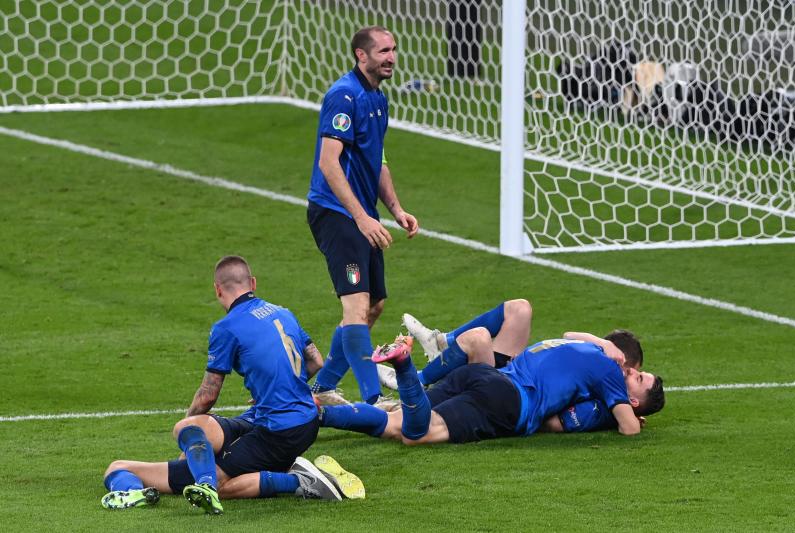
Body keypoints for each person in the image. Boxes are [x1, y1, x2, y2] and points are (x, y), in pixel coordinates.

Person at [100, 256, 364, 513]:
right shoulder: (283, 312)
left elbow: (208, 395)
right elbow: (316, 360)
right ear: (253, 283)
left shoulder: (226, 327)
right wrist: (278, 387)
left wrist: (186, 433)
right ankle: (208, 479)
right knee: (153, 451)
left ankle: (301, 481)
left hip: (278, 431)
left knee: (202, 461)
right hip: (296, 420)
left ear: (217, 290)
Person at [319, 311, 665, 445]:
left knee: (397, 422)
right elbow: (629, 428)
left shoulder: (587, 349)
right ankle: (406, 368)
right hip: (507, 402)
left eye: (638, 377)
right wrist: (623, 411)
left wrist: (602, 342)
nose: (631, 372)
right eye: (635, 371)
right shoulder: (609, 375)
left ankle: (319, 411)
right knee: (415, 435)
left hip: (484, 375)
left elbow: (572, 331)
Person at [306, 26, 418, 409]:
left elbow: (378, 160)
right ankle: (373, 397)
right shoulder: (343, 96)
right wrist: (361, 217)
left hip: (362, 214)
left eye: (394, 50)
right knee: (356, 305)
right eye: (384, 51)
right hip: (336, 213)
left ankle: (321, 389)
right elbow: (328, 162)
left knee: (374, 306)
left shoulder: (378, 98)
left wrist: (395, 209)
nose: (391, 57)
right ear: (361, 55)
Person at [377, 299, 644, 432]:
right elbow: (568, 335)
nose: (627, 373)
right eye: (628, 368)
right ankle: (443, 343)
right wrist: (601, 342)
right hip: (510, 373)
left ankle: (416, 382)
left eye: (632, 374)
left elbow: (561, 421)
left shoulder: (605, 389)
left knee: (478, 338)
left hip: (508, 390)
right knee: (520, 308)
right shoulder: (595, 357)